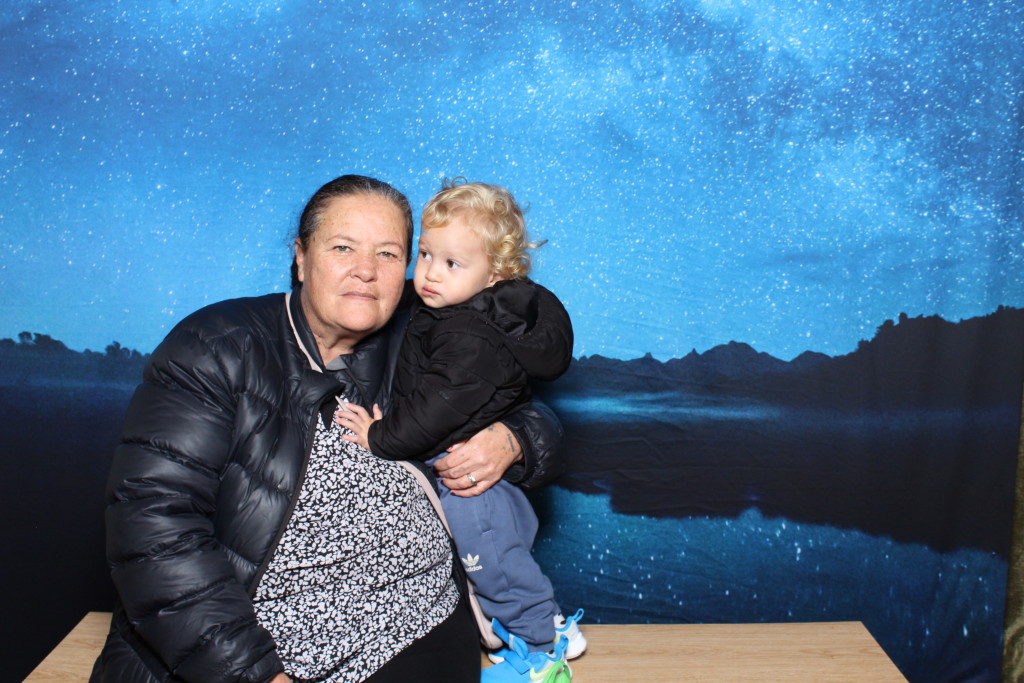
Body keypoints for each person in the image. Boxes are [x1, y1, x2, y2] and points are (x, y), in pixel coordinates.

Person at [90, 174, 567, 683]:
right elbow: (153, 525)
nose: (366, 270)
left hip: (427, 626)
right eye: (343, 247)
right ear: (301, 257)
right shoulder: (217, 345)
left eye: (388, 254)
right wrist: (251, 673)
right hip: (258, 651)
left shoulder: (424, 331)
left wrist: (513, 438)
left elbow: (520, 393)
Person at [335, 180, 585, 682]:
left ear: (494, 276)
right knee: (500, 562)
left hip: (466, 484)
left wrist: (380, 437)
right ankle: (547, 627)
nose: (429, 272)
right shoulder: (437, 313)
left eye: (452, 263)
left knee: (493, 561)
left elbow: (441, 406)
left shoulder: (467, 331)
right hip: (445, 482)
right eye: (425, 255)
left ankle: (542, 654)